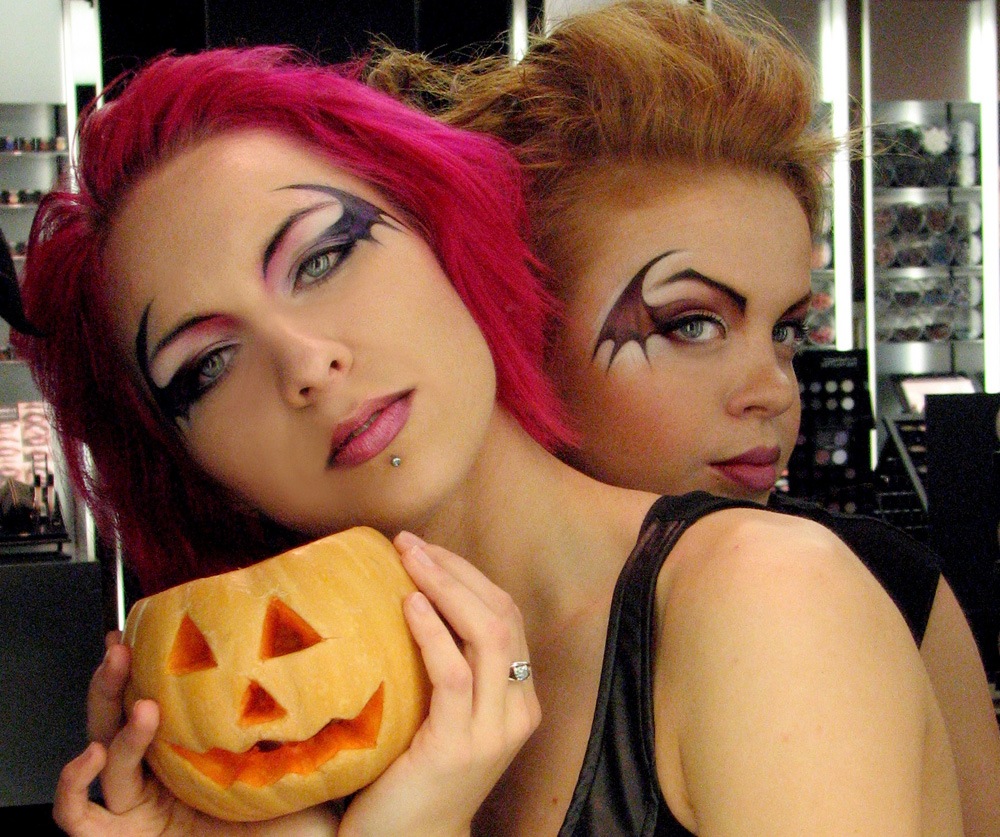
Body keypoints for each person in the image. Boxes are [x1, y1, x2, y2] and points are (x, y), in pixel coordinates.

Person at [14, 43, 961, 836]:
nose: (303, 362)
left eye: (324, 257)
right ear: (194, 467)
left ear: (444, 229)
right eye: (208, 365)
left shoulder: (766, 597)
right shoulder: (267, 736)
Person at [364, 1, 1000, 834]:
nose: (772, 389)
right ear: (511, 327)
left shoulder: (860, 586)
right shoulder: (357, 633)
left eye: (786, 330)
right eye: (692, 324)